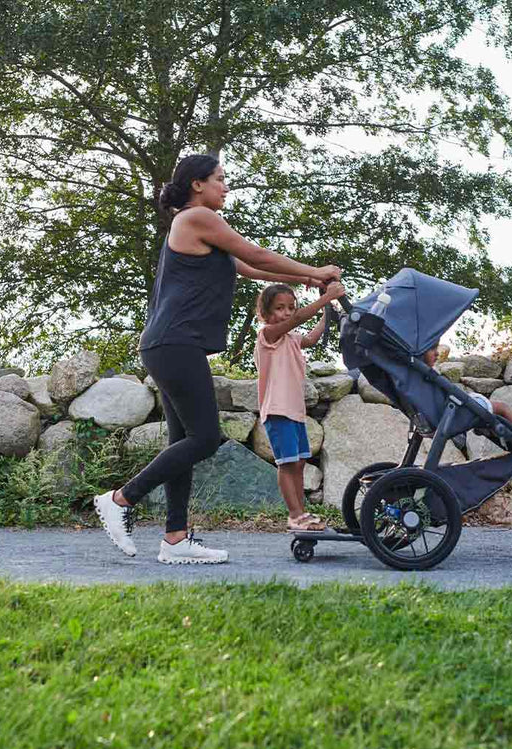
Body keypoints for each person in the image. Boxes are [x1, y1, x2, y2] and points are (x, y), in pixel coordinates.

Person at [93, 154, 341, 564]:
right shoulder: (196, 218)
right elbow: (257, 254)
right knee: (205, 438)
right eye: (220, 179)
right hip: (175, 343)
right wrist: (316, 268)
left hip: (171, 344)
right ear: (197, 184)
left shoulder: (200, 229)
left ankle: (175, 539)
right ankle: (121, 499)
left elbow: (249, 268)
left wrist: (310, 279)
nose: (225, 187)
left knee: (183, 442)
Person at [254, 281, 346, 531]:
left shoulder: (292, 339)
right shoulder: (267, 336)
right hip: (277, 410)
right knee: (287, 463)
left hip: (295, 411)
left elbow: (312, 338)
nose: (286, 313)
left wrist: (328, 312)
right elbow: (297, 320)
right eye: (279, 308)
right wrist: (325, 298)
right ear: (265, 313)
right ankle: (295, 515)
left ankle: (301, 513)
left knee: (299, 463)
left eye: (290, 307)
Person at [422, 345, 512, 452]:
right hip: (448, 414)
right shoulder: (425, 374)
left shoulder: (415, 378)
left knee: (489, 412)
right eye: (432, 348)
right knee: (501, 407)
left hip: (436, 417)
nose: (437, 353)